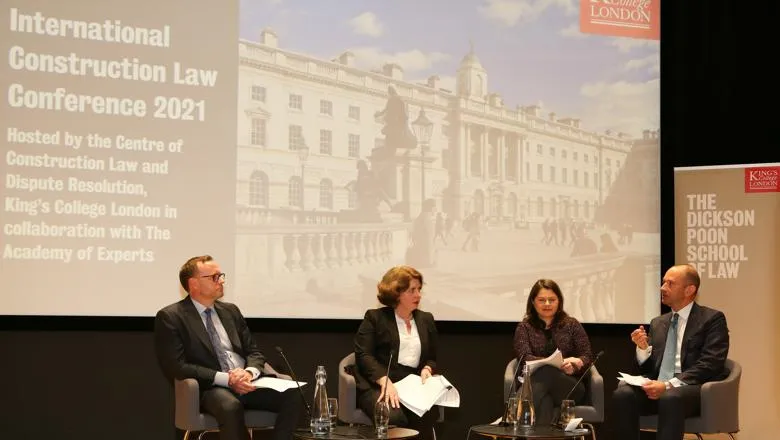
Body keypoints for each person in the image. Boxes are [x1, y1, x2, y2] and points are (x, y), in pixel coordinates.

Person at [154, 255, 302, 440]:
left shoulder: (231, 311)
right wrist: (227, 379)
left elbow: (253, 352)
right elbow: (176, 366)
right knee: (230, 406)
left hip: (248, 381)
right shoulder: (171, 317)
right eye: (214, 277)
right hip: (211, 387)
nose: (221, 281)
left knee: (294, 393)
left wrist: (248, 373)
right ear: (194, 284)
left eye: (221, 276)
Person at [612, 264, 729, 440]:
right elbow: (645, 370)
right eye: (663, 282)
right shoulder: (658, 322)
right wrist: (642, 350)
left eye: (670, 283)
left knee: (670, 397)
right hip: (658, 387)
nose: (662, 287)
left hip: (691, 390)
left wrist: (668, 385)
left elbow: (710, 364)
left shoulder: (712, 319)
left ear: (690, 289)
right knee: (623, 394)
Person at [353, 265, 440, 440]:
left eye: (419, 289)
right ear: (396, 293)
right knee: (394, 415)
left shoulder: (426, 319)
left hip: (412, 383)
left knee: (427, 414)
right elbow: (364, 355)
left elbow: (432, 357)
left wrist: (427, 369)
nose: (418, 295)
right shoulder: (375, 318)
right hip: (378, 383)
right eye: (412, 290)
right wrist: (384, 381)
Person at [512, 279, 593, 425]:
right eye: (542, 300)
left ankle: (513, 417)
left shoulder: (571, 325)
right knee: (545, 401)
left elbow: (587, 356)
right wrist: (551, 362)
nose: (547, 304)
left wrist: (574, 365)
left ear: (559, 301)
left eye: (552, 300)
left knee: (546, 371)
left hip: (569, 387)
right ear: (533, 302)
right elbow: (524, 357)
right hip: (538, 387)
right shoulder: (524, 327)